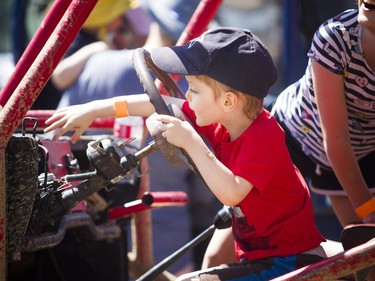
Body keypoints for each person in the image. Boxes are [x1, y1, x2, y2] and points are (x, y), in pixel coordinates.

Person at [44, 26, 326, 281]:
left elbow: (232, 193)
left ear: (228, 101)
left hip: (287, 260)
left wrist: (191, 141)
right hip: (256, 248)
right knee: (210, 261)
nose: (187, 97)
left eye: (194, 90)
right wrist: (94, 109)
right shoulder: (221, 118)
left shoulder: (262, 137)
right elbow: (154, 102)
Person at [271, 1, 375, 229]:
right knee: (240, 235)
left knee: (362, 248)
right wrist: (368, 210)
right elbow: (336, 139)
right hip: (291, 136)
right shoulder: (335, 37)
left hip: (360, 155)